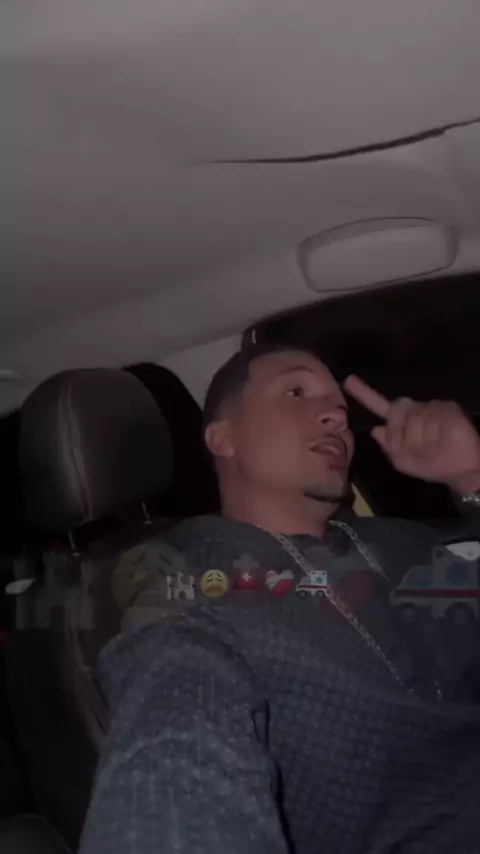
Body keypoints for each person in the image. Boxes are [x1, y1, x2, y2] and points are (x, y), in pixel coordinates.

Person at [81, 343, 480, 854]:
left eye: (339, 404)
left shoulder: (395, 541)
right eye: (295, 392)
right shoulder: (193, 580)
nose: (337, 415)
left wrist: (470, 477)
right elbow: (175, 725)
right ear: (223, 438)